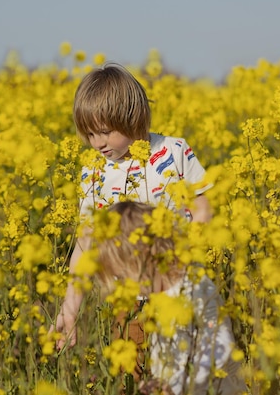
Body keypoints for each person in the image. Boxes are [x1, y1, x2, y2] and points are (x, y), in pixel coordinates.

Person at [51, 63, 212, 349]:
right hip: (129, 300)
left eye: (104, 132)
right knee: (132, 377)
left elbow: (202, 208)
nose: (98, 143)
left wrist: (187, 255)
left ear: (131, 116)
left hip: (182, 292)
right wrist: (70, 308)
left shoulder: (174, 152)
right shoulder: (93, 171)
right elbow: (86, 243)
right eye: (89, 135)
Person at [95, 201, 246, 395]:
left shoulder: (195, 288)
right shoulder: (159, 298)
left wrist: (177, 385)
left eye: (123, 277)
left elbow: (220, 346)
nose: (122, 287)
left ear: (147, 256)